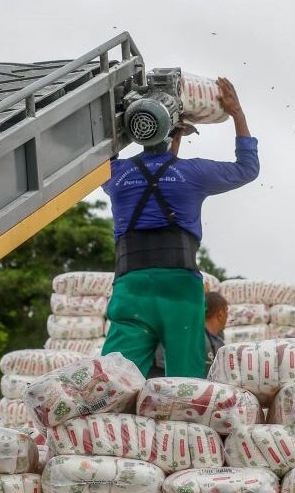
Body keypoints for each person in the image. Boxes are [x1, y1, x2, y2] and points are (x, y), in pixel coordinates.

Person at [101, 78, 257, 378]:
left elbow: (104, 149)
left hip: (131, 287)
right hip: (179, 288)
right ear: (175, 134)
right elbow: (247, 169)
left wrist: (127, 114)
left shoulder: (115, 176)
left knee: (112, 379)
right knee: (186, 382)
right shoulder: (192, 173)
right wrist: (236, 113)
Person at [204, 291, 228, 367]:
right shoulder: (202, 341)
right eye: (227, 311)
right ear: (220, 315)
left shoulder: (219, 342)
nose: (227, 317)